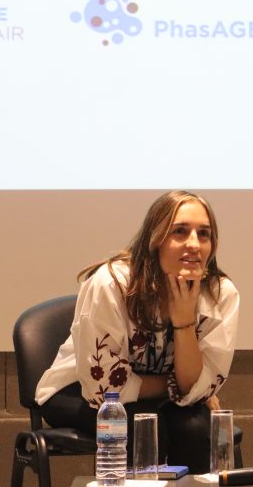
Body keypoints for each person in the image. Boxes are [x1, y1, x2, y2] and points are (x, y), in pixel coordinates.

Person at [35, 190, 240, 474]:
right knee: (142, 424)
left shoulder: (220, 295)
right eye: (180, 231)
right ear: (155, 240)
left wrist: (184, 323)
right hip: (77, 393)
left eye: (204, 234)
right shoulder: (111, 285)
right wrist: (176, 387)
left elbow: (195, 389)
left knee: (196, 427)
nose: (194, 243)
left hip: (157, 399)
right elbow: (105, 387)